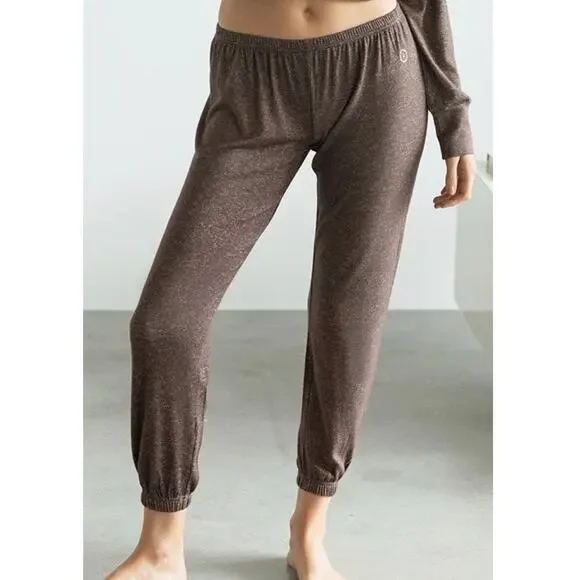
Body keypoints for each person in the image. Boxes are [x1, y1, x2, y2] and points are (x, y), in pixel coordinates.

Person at [106, 0, 475, 578]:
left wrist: (453, 114)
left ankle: (309, 530)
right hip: (254, 76)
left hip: (379, 69)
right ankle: (160, 547)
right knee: (165, 321)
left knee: (347, 322)